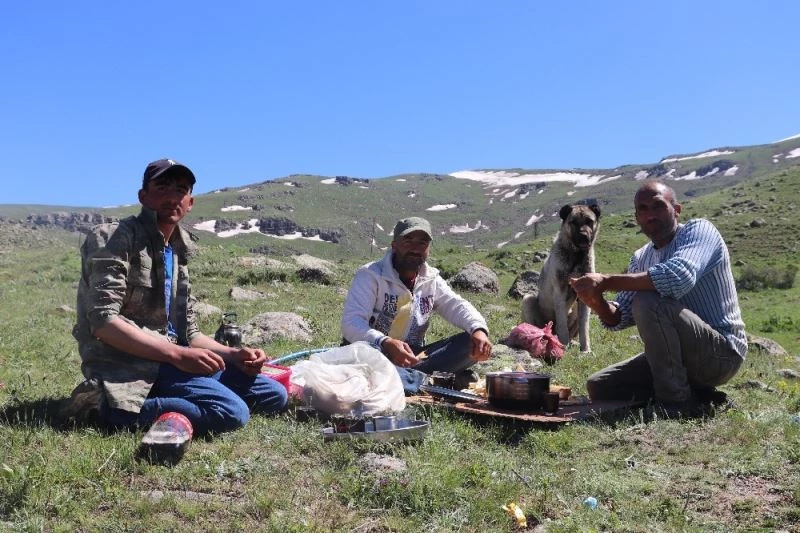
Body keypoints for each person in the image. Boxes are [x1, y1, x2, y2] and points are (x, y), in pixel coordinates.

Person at [66, 158, 287, 439]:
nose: (172, 196)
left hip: (172, 362)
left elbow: (189, 332)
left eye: (180, 189)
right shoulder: (114, 237)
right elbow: (103, 322)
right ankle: (108, 409)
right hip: (127, 363)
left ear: (190, 202)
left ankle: (177, 401)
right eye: (161, 187)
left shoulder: (178, 250)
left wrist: (234, 355)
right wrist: (177, 354)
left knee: (274, 396)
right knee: (232, 412)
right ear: (143, 196)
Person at [569, 180, 747, 416]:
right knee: (601, 386)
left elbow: (677, 278)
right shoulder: (641, 257)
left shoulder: (700, 231)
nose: (650, 215)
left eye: (658, 206)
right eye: (642, 209)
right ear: (636, 218)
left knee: (648, 301)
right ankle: (702, 396)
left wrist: (606, 281)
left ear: (677, 209)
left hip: (721, 355)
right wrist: (597, 302)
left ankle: (677, 404)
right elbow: (620, 317)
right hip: (677, 358)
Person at [341, 216, 493, 393]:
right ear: (394, 245)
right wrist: (386, 342)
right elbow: (351, 324)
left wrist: (478, 331)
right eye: (408, 240)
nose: (415, 248)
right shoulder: (371, 275)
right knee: (366, 362)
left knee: (470, 343)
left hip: (413, 356)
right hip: (373, 351)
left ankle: (408, 380)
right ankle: (424, 381)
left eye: (422, 243)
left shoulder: (431, 279)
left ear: (428, 249)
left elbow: (455, 304)